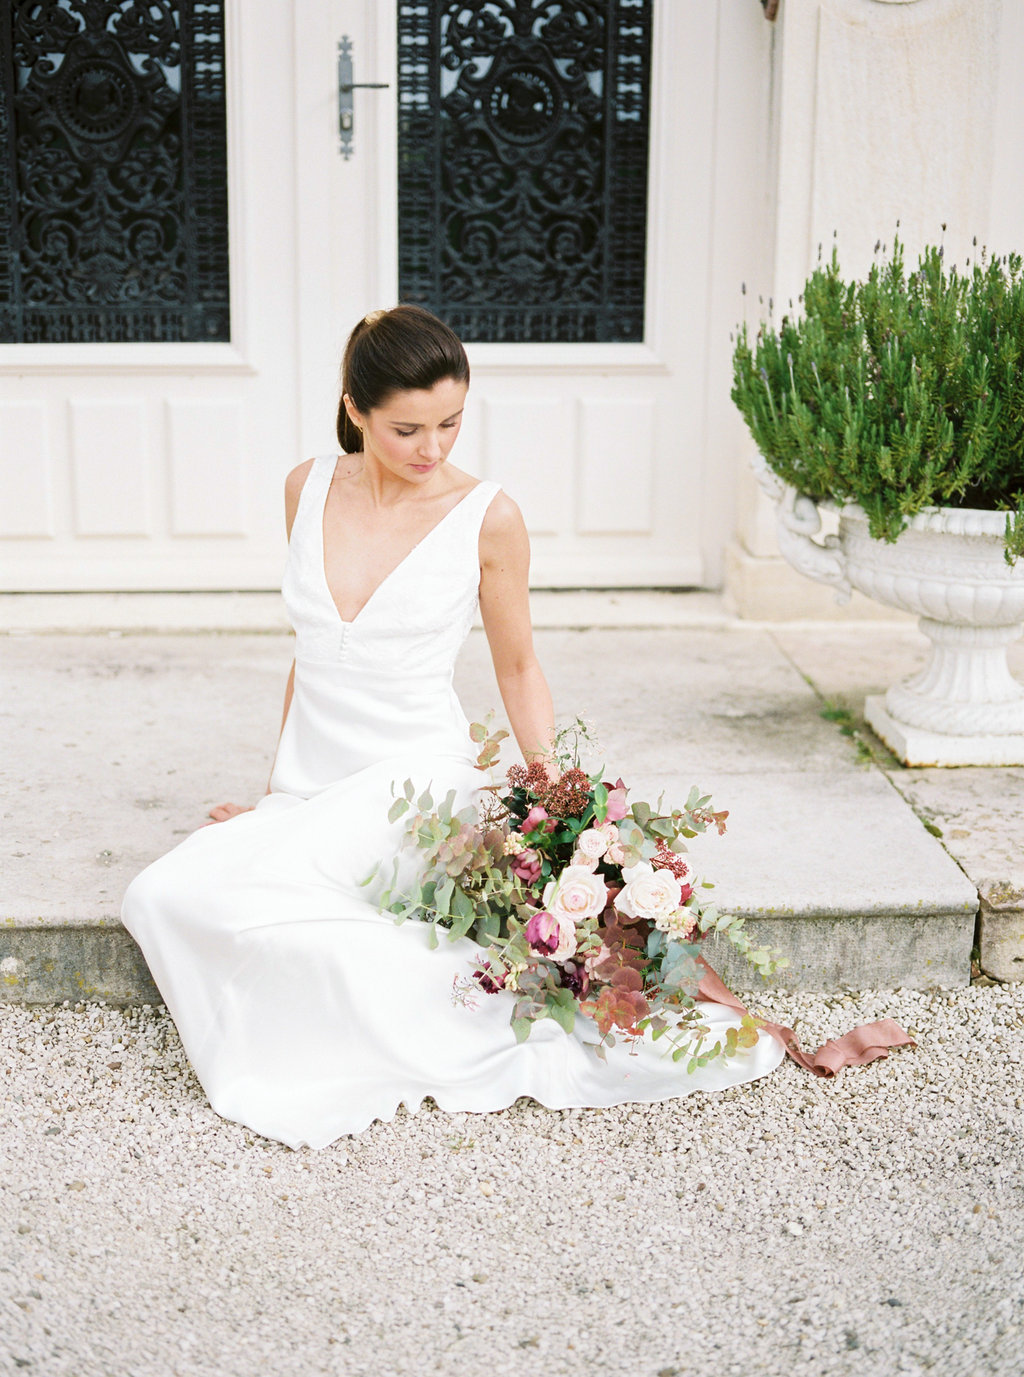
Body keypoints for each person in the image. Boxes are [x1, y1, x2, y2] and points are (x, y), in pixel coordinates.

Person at [121, 305, 786, 1150]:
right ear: (355, 409)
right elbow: (314, 650)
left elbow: (517, 666)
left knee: (218, 898)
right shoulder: (305, 486)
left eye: (450, 422)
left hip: (415, 786)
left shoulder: (488, 516)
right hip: (316, 781)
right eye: (407, 428)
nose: (432, 447)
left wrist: (557, 809)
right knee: (164, 891)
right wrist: (274, 794)